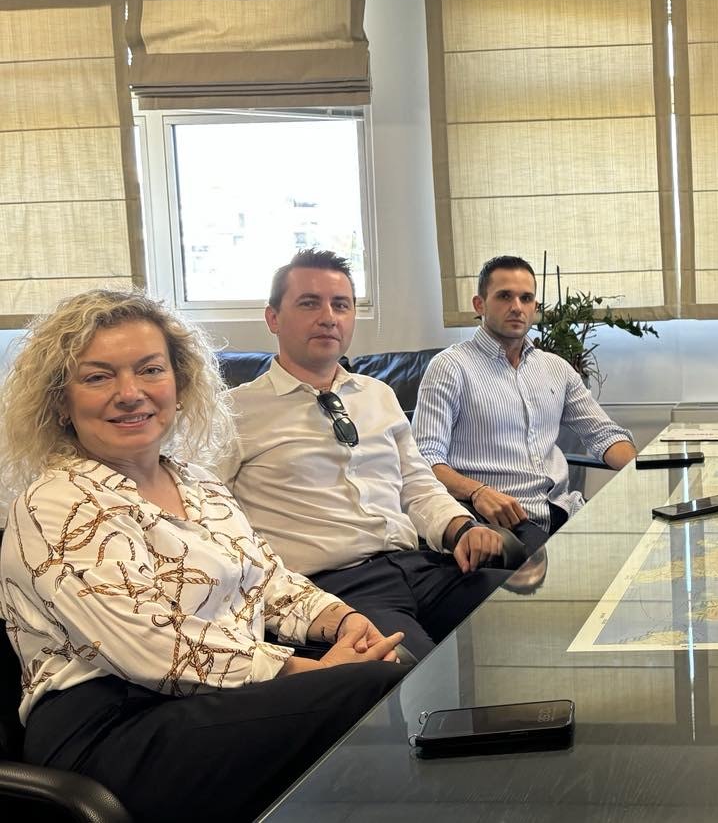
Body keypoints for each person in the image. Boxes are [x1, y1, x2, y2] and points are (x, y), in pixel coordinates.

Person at [0, 289, 406, 822]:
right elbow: (149, 646)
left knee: (392, 666)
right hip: (112, 728)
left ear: (180, 382)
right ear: (60, 400)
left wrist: (343, 620)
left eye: (150, 370)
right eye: (98, 377)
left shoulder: (198, 483)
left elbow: (267, 579)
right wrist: (311, 672)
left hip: (216, 701)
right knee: (374, 688)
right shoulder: (57, 501)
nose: (130, 394)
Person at [220, 250, 513, 659]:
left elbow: (417, 485)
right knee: (423, 674)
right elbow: (206, 518)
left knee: (533, 616)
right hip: (337, 592)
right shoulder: (232, 413)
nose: (328, 317)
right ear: (273, 318)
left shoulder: (379, 395)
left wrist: (460, 527)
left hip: (421, 567)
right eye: (309, 303)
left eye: (341, 305)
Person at [414, 255, 637, 555]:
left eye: (526, 298)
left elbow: (604, 434)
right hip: (498, 523)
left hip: (563, 511)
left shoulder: (555, 368)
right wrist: (477, 492)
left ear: (535, 307)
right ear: (480, 305)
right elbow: (424, 460)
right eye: (504, 296)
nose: (517, 307)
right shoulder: (450, 367)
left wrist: (643, 472)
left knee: (639, 546)